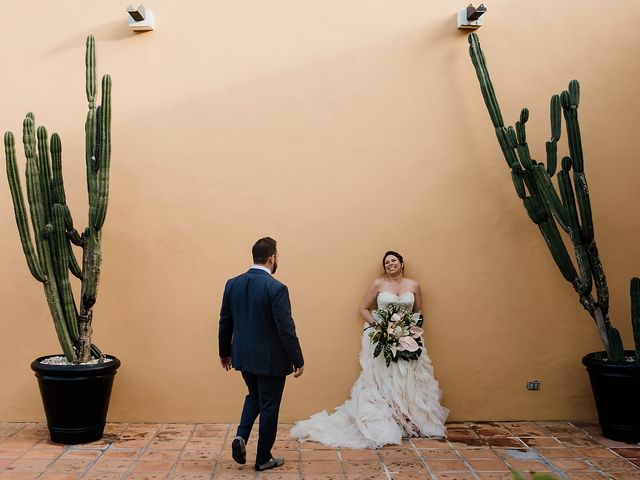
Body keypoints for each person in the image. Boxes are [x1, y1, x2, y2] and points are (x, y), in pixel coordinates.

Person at [290, 250, 447, 449]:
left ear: (401, 263)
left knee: (408, 377)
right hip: (382, 338)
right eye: (387, 262)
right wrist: (378, 326)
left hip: (407, 338)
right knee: (384, 378)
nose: (390, 264)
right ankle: (389, 419)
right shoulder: (378, 284)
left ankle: (407, 419)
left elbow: (418, 312)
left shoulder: (413, 285)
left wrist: (408, 329)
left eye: (393, 261)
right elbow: (363, 308)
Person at [219, 237, 304, 471]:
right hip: (271, 361)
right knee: (269, 406)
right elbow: (285, 328)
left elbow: (225, 321)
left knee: (254, 396)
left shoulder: (232, 284)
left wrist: (224, 352)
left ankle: (241, 437)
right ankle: (263, 457)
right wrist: (297, 358)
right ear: (272, 258)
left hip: (243, 357)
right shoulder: (276, 288)